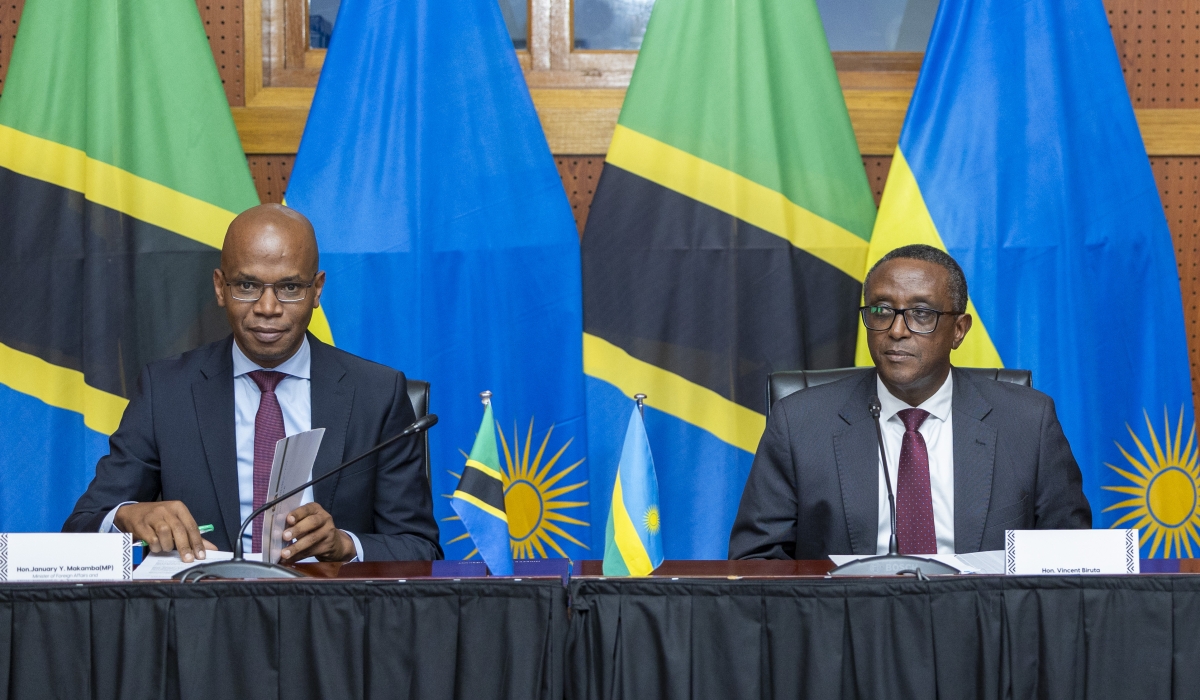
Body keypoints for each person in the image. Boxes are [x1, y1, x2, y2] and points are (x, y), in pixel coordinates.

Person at [63, 204, 441, 564]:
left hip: (330, 616)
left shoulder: (377, 395)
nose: (268, 307)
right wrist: (129, 516)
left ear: (317, 290)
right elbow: (82, 526)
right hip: (206, 615)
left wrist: (343, 544)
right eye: (247, 285)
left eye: (290, 287)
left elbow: (419, 547)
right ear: (219, 287)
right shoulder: (166, 392)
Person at [728, 244, 1090, 560]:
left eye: (921, 313)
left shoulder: (1028, 422)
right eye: (882, 311)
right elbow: (756, 561)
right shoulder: (799, 423)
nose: (897, 330)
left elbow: (1071, 561)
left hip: (985, 629)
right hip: (847, 630)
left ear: (959, 330)